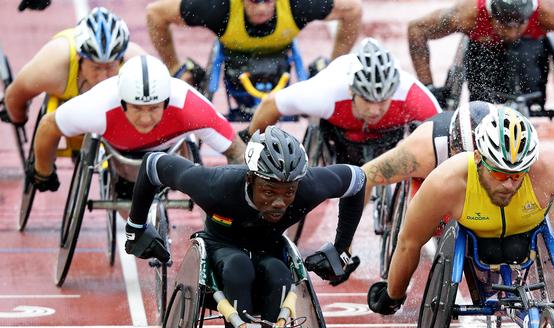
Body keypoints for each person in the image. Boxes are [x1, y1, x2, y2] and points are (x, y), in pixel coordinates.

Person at [124, 125, 366, 328]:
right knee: (239, 268)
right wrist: (135, 228)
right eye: (268, 191)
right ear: (250, 179)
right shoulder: (215, 185)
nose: (279, 202)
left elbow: (357, 179)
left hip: (270, 252)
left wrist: (340, 248)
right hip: (221, 253)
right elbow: (153, 166)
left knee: (279, 274)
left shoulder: (309, 187)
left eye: (288, 193)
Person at [367, 107, 554, 317]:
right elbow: (409, 242)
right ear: (478, 158)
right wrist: (393, 294)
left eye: (517, 175)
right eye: (500, 174)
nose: (509, 185)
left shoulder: (546, 168)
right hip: (476, 237)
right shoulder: (445, 180)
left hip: (525, 234)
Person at [31, 55, 245, 192]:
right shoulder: (98, 106)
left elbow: (236, 151)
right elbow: (49, 125)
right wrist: (43, 172)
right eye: (137, 108)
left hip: (171, 157)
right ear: (122, 103)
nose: (145, 119)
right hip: (121, 158)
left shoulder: (190, 106)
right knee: (128, 208)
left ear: (167, 102)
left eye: (153, 108)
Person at [242, 37, 442, 166]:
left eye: (382, 101)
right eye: (366, 99)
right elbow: (271, 104)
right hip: (340, 138)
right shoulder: (326, 93)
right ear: (351, 91)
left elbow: (443, 136)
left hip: (389, 140)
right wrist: (249, 148)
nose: (374, 109)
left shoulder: (412, 96)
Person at [407, 0, 554, 124]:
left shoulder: (550, 12)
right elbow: (416, 29)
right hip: (483, 51)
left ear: (530, 15)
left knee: (525, 52)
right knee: (482, 102)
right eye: (505, 25)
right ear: (491, 14)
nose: (512, 32)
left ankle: (527, 102)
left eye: (518, 25)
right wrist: (428, 88)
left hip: (530, 52)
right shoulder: (467, 14)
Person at [145, 0, 362, 85]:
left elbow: (353, 9)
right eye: (253, 1)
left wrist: (335, 65)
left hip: (281, 53)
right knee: (184, 80)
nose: (260, 9)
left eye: (267, 1)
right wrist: (174, 67)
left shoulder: (298, 4)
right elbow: (155, 13)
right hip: (232, 55)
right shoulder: (217, 8)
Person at [2, 7, 144, 129]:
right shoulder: (51, 66)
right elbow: (15, 97)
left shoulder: (138, 63)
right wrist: (19, 119)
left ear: (121, 60)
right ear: (79, 58)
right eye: (95, 68)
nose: (102, 77)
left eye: (109, 67)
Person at [362, 100, 494, 204]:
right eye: (464, 159)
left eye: (480, 163)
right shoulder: (420, 153)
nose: (469, 169)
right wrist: (345, 238)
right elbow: (365, 177)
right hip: (429, 154)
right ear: (452, 147)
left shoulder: (511, 154)